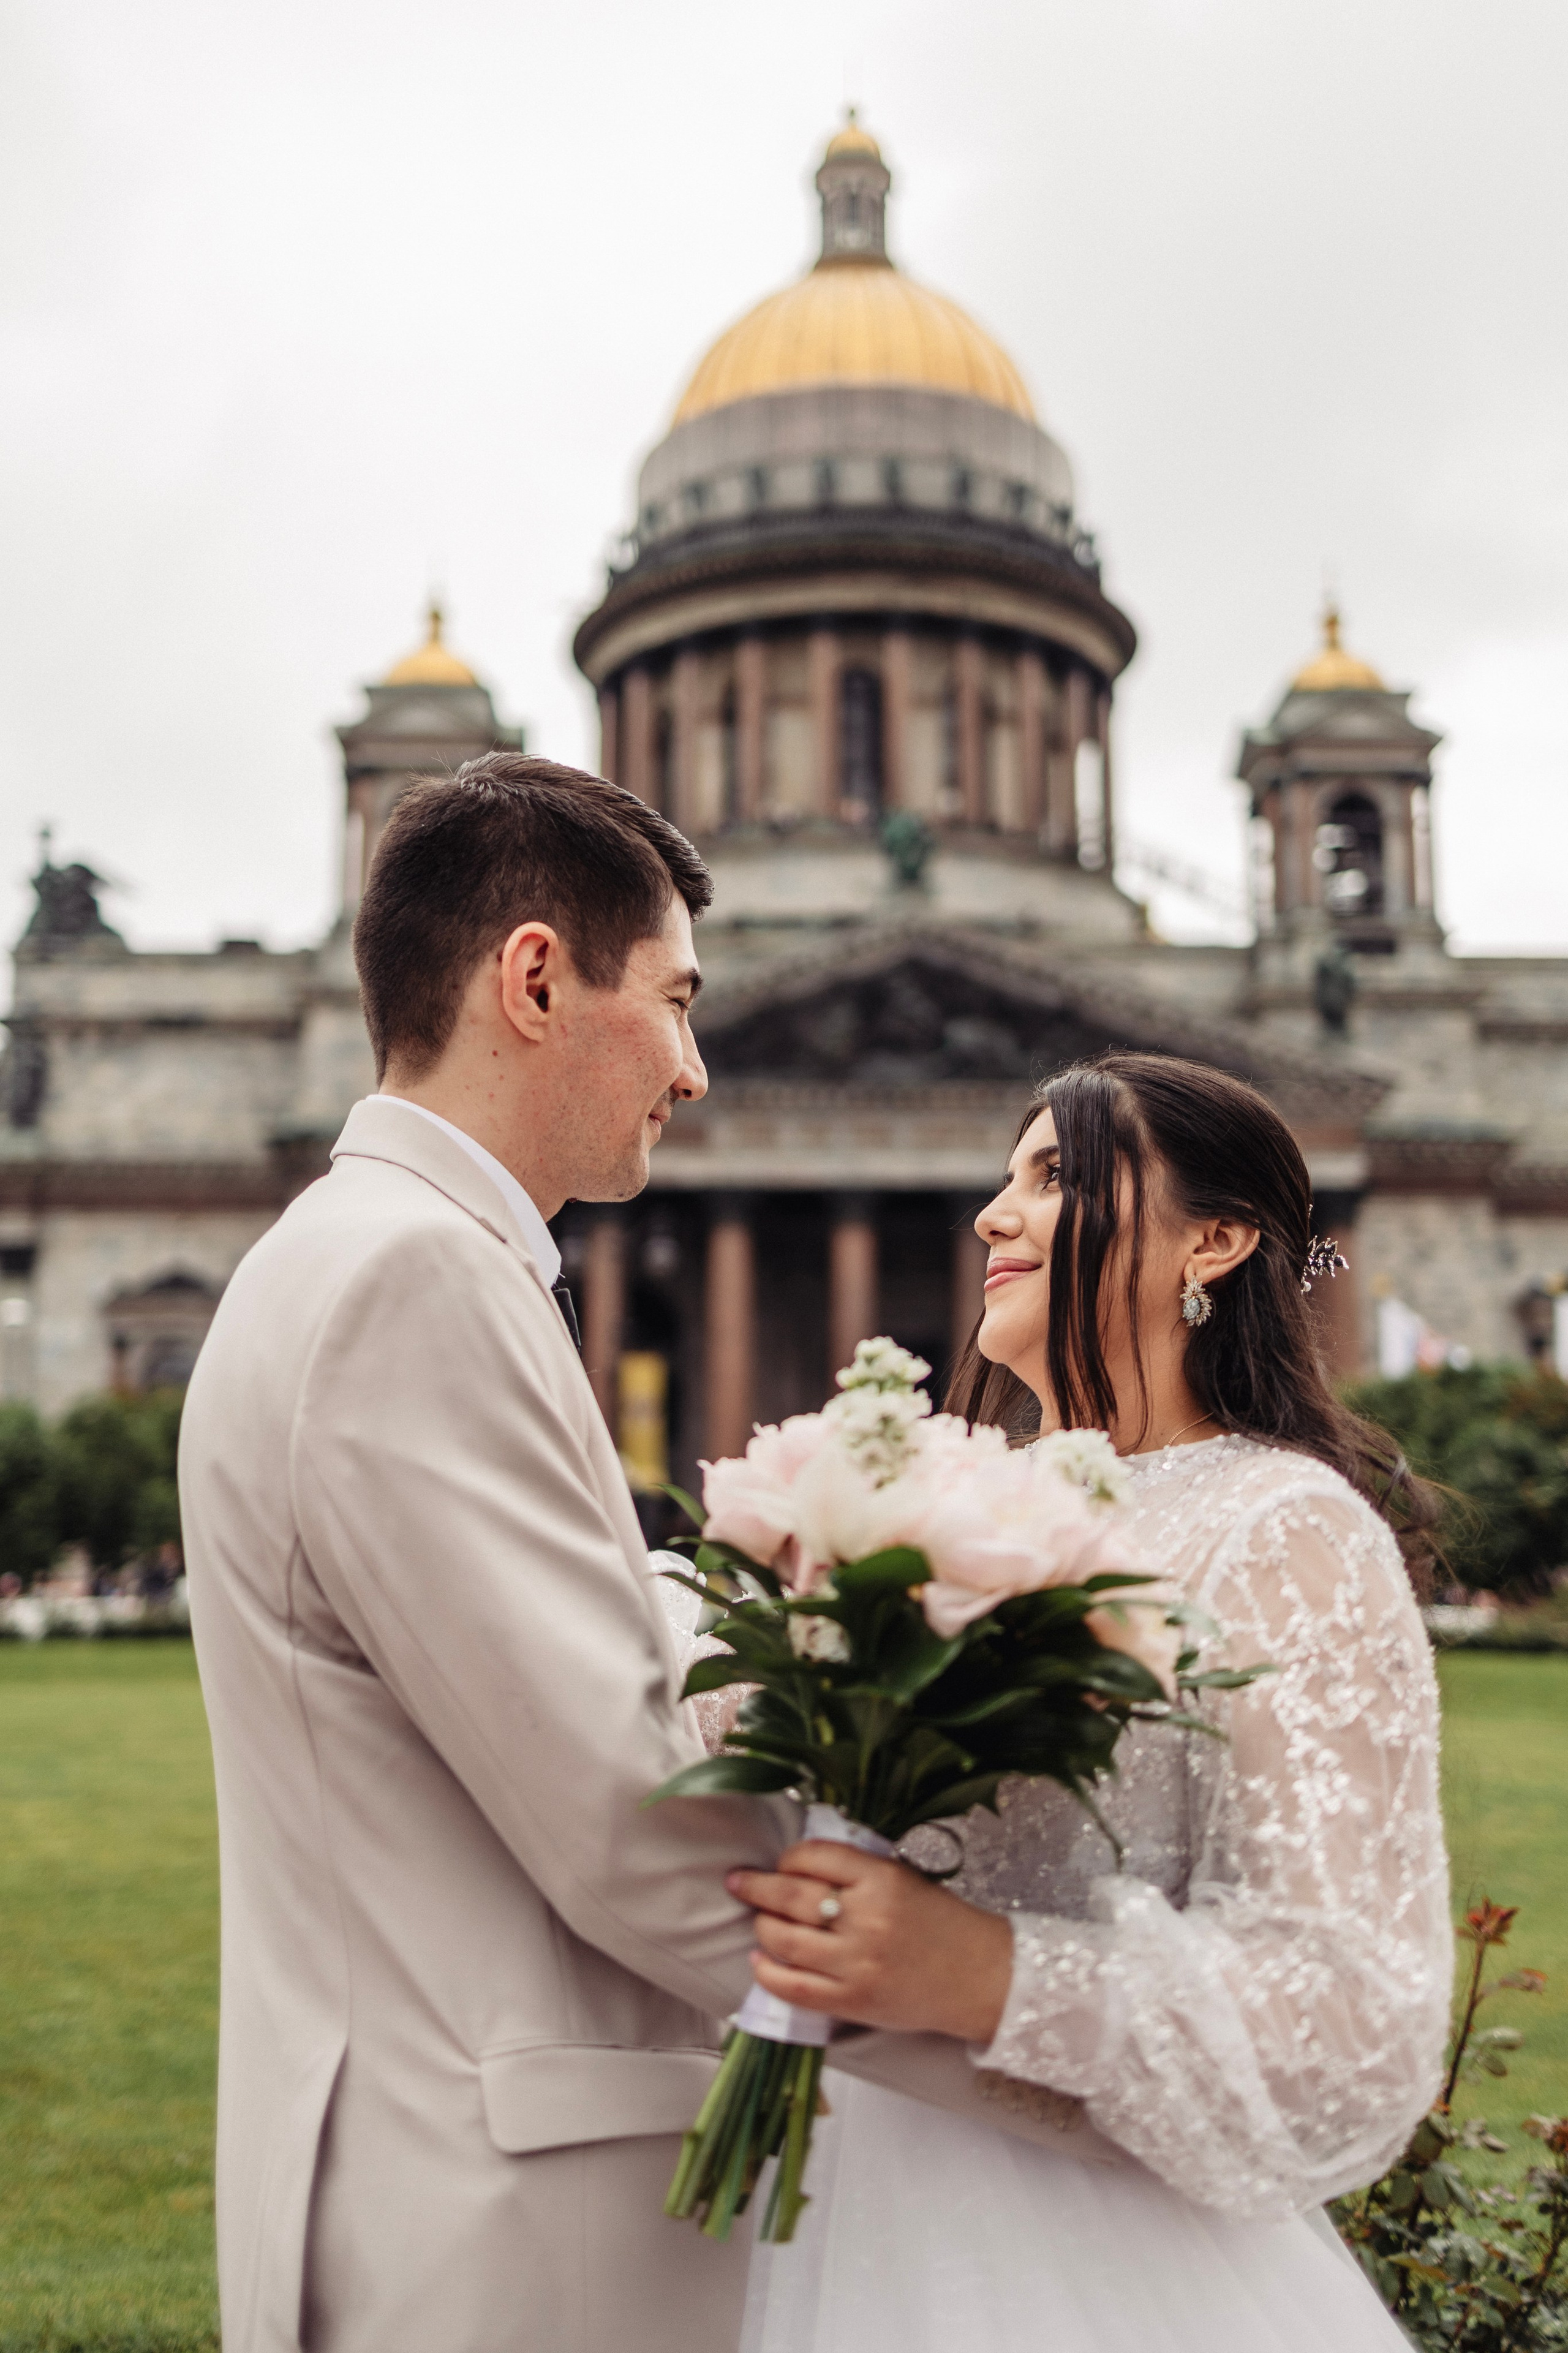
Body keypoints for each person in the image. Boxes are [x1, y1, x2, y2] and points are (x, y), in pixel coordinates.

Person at [179, 757, 802, 2353]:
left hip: (429, 2185)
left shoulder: (360, 1254)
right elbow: (630, 1817)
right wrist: (981, 1995)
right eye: (673, 999)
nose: (696, 1068)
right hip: (508, 2241)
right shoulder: (415, 1282)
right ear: (534, 977)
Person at [731, 1052, 1452, 2353]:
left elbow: (1357, 2022)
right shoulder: (936, 1499)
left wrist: (982, 1973)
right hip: (844, 2206)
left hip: (1093, 2265)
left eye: (1052, 1175)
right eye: (1003, 1177)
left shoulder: (1280, 1528)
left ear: (1216, 1240)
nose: (990, 1215)